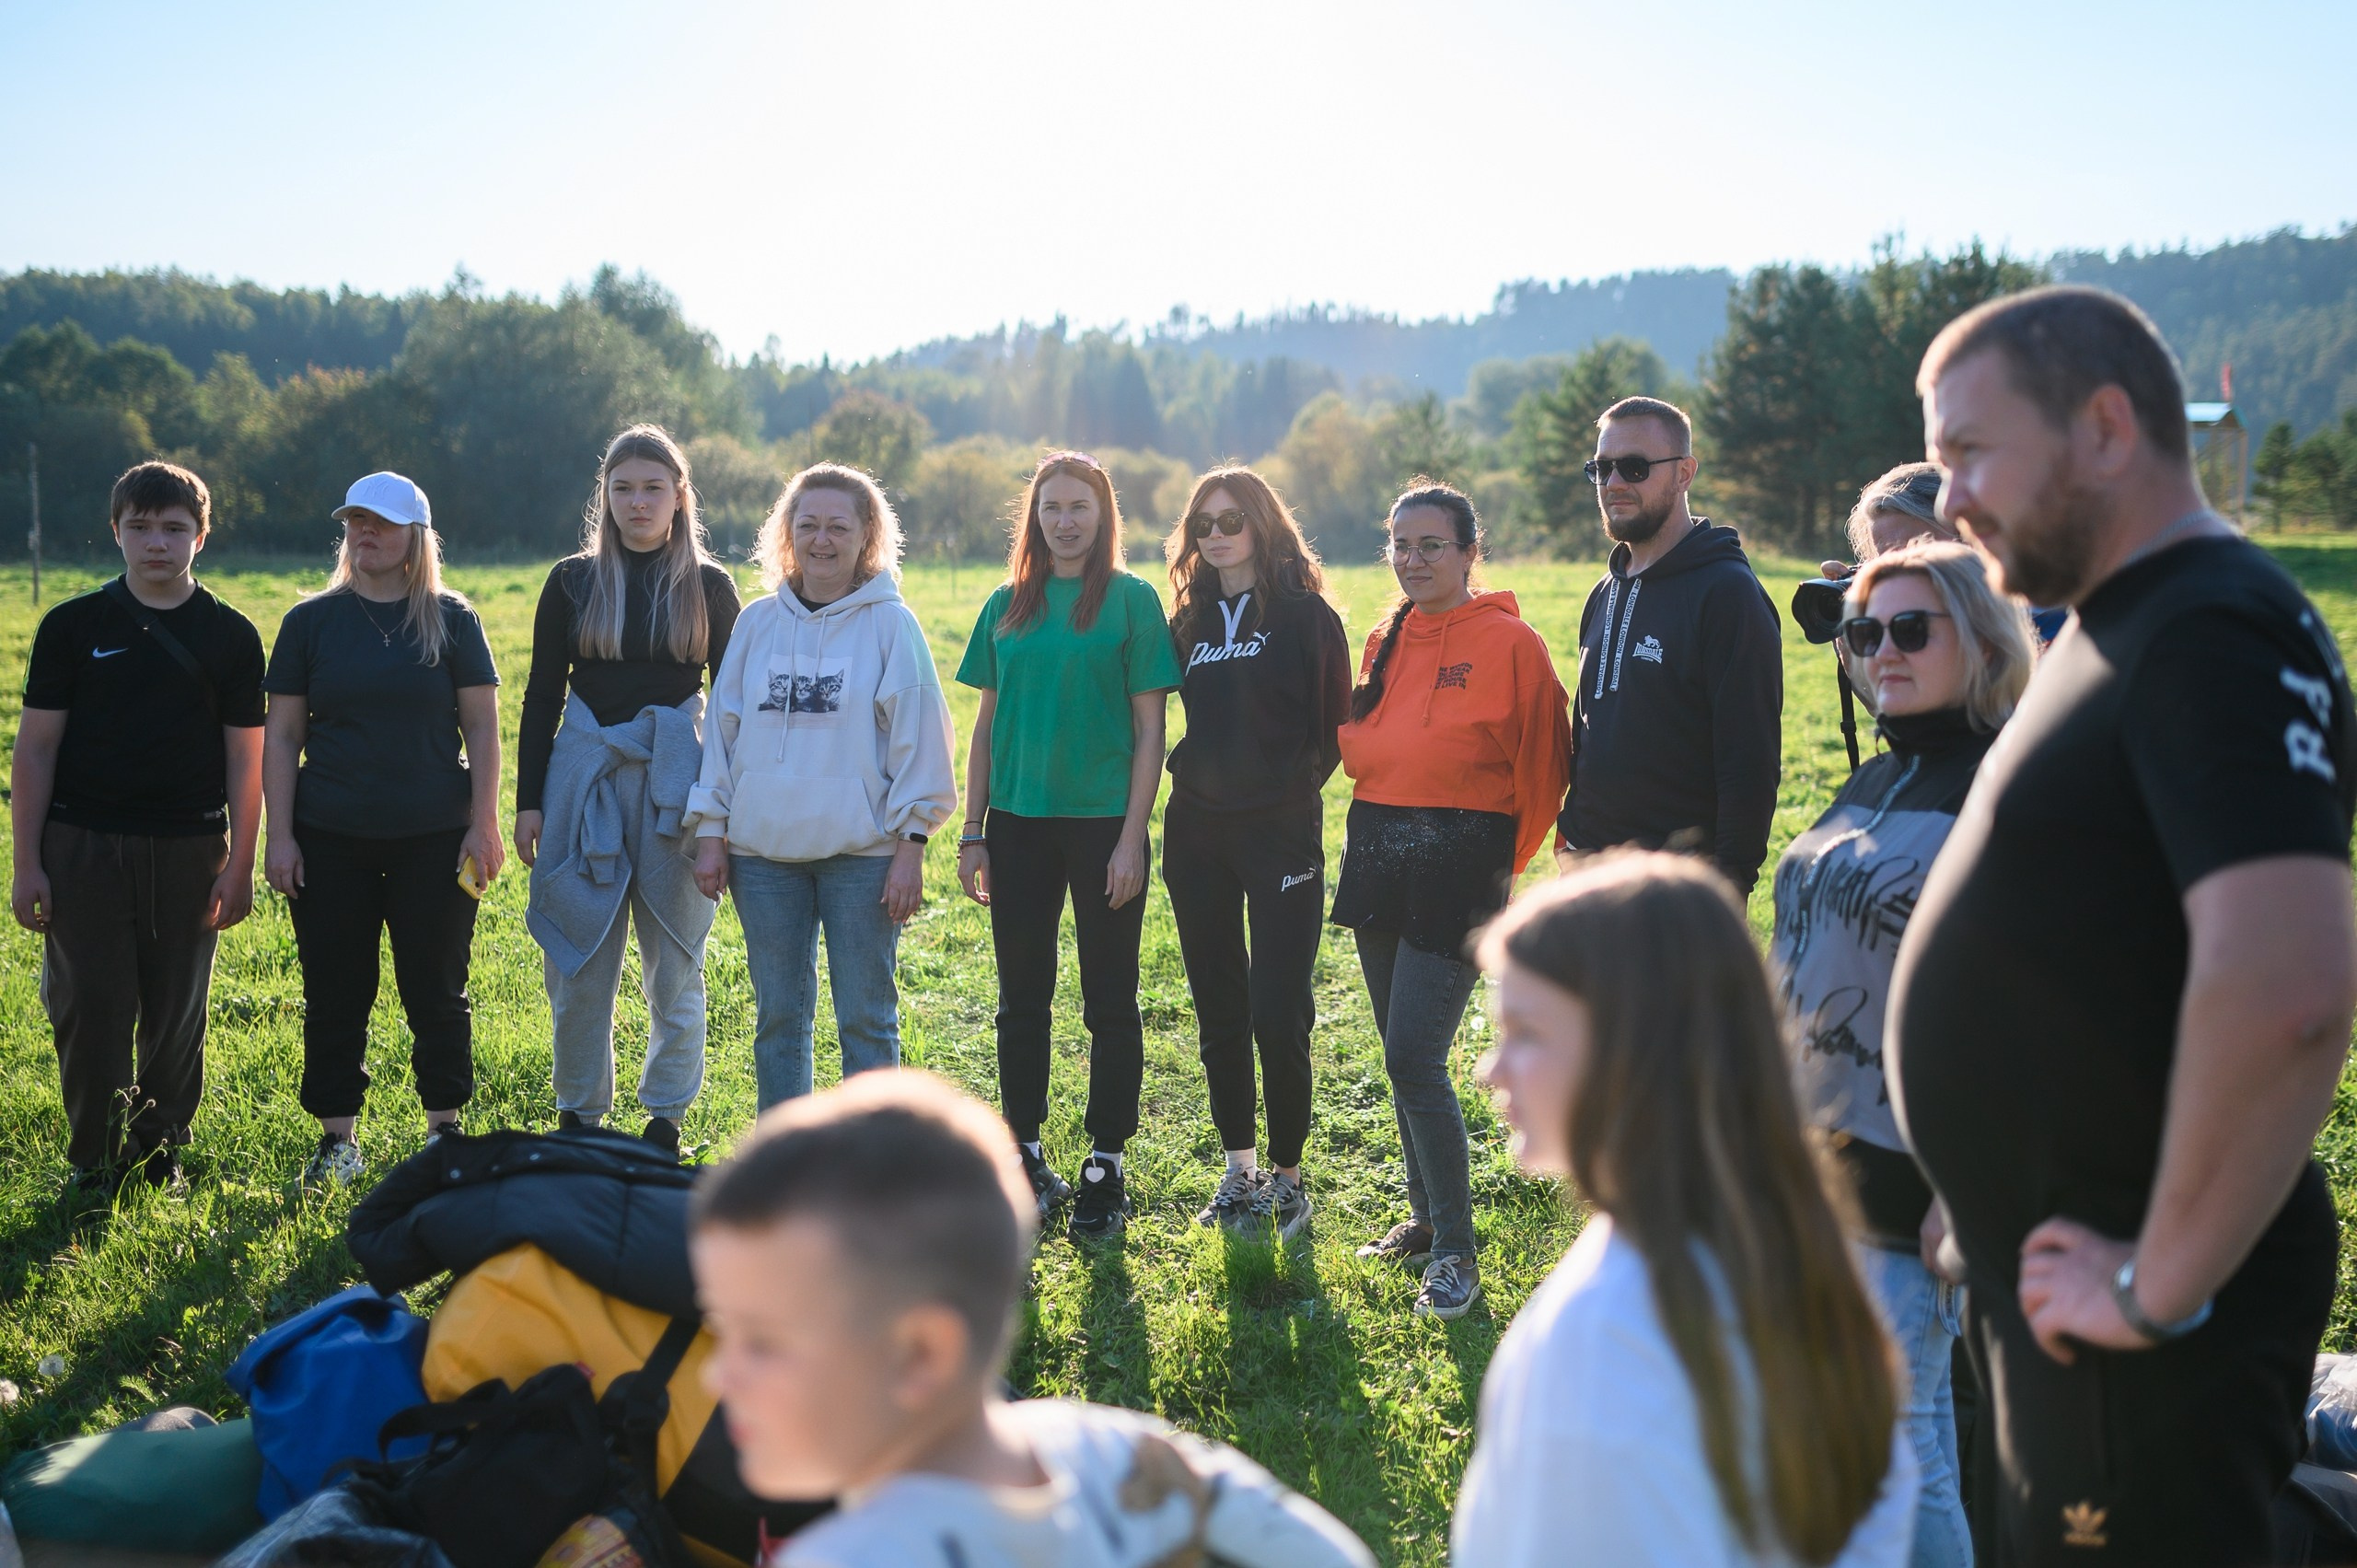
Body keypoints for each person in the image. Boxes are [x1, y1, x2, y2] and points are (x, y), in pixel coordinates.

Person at [1890, 285, 2357, 1565]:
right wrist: (1973, 1193)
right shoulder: (2123, 624)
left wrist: (2158, 1283)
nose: (1949, 499)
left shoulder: (2213, 624)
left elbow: (2293, 987)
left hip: (2131, 1317)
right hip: (2054, 1277)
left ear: (2106, 425)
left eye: (1970, 452)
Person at [689, 1070, 1377, 1568]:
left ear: (922, 1352)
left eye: (763, 1341)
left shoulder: (849, 1556)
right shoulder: (1135, 1456)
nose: (721, 1374)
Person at [1455, 854, 1916, 1567]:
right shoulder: (1799, 1248)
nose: (1491, 1067)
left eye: (1527, 1032)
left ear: (1634, 1050)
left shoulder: (1602, 1339)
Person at [1771, 540, 2035, 1568]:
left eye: (1910, 628)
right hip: (1811, 1153)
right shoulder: (1882, 770)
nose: (1879, 649)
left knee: (1898, 1437)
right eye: (1862, 630)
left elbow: (2037, 1007)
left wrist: (1965, 1185)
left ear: (1981, 636)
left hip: (1909, 1168)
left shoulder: (2005, 783)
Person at [1329, 481, 1570, 1319]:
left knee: (1413, 1056)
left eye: (1432, 545)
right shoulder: (1383, 637)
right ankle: (1426, 1217)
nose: (1412, 560)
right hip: (1379, 849)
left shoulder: (1511, 644)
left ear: (1472, 551)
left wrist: (1494, 867)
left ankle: (1460, 1252)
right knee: (1399, 1050)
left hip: (1462, 862)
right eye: (1399, 544)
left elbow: (1544, 768)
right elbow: (1361, 739)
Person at [10, 461, 264, 1206]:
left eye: (174, 528)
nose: (157, 542)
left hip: (190, 845)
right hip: (81, 843)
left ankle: (161, 1155)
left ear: (201, 536)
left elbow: (247, 758)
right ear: (115, 530)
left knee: (177, 1010)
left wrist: (240, 863)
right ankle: (92, 1159)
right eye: (141, 527)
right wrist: (27, 863)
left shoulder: (231, 635)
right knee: (89, 1007)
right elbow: (35, 750)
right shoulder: (70, 627)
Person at [956, 451, 1182, 1244]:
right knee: (1022, 1000)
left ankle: (1105, 1162)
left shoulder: (1130, 602)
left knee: (1110, 1001)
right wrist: (973, 829)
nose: (1065, 519)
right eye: (1051, 506)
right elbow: (986, 726)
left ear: (1103, 514)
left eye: (1079, 505)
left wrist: (1132, 838)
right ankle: (1023, 1153)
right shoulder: (1006, 605)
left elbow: (1151, 729)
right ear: (1035, 517)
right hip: (1015, 826)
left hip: (1101, 829)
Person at [688, 462, 957, 1108]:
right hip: (763, 858)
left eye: (839, 526)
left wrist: (911, 847)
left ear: (868, 535)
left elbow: (920, 739)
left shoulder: (892, 626)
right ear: (788, 533)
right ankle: (787, 1169)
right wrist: (712, 833)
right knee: (779, 1019)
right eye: (808, 524)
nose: (822, 539)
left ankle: (870, 1175)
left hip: (862, 859)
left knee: (867, 1020)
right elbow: (721, 735)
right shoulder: (755, 624)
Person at [261, 471, 503, 1186]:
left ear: (414, 538)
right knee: (336, 986)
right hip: (329, 836)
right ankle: (337, 1141)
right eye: (356, 520)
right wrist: (281, 836)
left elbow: (484, 728)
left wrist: (482, 823)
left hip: (436, 837)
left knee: (436, 986)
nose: (365, 532)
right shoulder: (310, 623)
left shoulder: (453, 618)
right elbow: (282, 737)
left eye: (383, 522)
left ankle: (444, 1132)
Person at [517, 425, 741, 1153]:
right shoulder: (573, 580)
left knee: (674, 962)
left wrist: (723, 817)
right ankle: (580, 1112)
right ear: (605, 496)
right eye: (623, 488)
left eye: (653, 487)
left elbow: (733, 709)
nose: (637, 502)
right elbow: (542, 693)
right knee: (577, 961)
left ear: (680, 496)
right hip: (584, 779)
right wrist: (529, 801)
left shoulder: (709, 586)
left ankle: (665, 1116)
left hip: (677, 785)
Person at [1159, 465, 1350, 1240]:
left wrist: (1280, 791)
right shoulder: (1189, 620)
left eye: (1230, 519)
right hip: (1197, 833)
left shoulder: (1308, 616)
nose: (1215, 534)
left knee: (1278, 1009)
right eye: (1202, 523)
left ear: (1263, 523)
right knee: (1219, 1007)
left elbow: (1335, 729)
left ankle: (1289, 1175)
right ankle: (1239, 1170)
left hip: (1280, 833)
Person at [1556, 396, 1782, 895]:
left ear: (1684, 474)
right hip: (1587, 879)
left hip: (1678, 898)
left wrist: (1728, 887)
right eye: (1601, 468)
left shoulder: (1728, 594)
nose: (1614, 483)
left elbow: (1750, 763)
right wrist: (1571, 838)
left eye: (1635, 467)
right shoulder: (1604, 590)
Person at [1831, 462, 2065, 645]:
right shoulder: (1937, 634)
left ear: (1974, 538)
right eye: (1885, 565)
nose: (1900, 575)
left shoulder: (2049, 625)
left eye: (1917, 554)